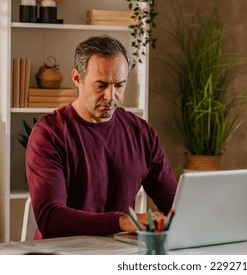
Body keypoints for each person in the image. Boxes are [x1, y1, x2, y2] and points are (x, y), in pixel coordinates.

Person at [25, 35, 178, 239]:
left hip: (118, 252)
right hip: (63, 254)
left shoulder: (142, 133)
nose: (111, 96)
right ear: (77, 78)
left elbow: (174, 205)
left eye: (119, 86)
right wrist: (121, 221)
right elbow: (50, 219)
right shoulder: (49, 133)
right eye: (101, 85)